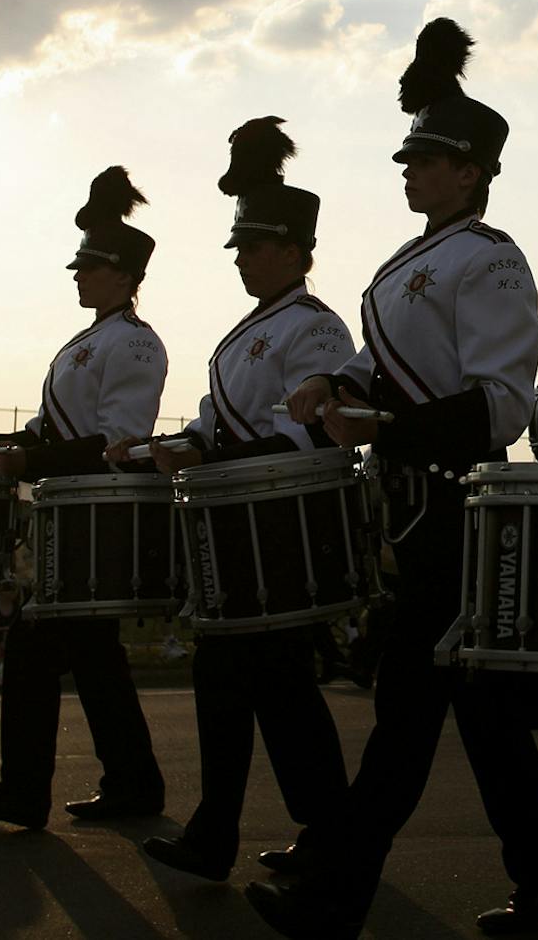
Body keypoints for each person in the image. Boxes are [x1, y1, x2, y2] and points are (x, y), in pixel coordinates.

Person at [252, 19, 538, 939]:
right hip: (412, 508)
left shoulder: (489, 258)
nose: (407, 170)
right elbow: (379, 364)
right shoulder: (406, 264)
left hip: (459, 505)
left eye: (425, 159)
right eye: (408, 157)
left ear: (470, 170)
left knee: (403, 718)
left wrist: (387, 422)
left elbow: (501, 403)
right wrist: (334, 382)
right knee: (478, 715)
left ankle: (332, 898)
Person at [119, 117, 355, 885]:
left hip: (283, 529)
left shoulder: (314, 328)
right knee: (249, 682)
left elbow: (304, 436)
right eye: (240, 248)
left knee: (270, 684)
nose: (243, 260)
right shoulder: (244, 334)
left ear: (294, 250)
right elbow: (218, 420)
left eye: (255, 247)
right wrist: (176, 443)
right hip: (237, 531)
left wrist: (207, 451)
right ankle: (259, 832)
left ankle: (295, 833)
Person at [0, 167, 169, 830]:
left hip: (99, 521)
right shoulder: (83, 345)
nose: (76, 276)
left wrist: (26, 459)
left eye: (89, 266)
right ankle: (131, 785)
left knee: (42, 648)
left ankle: (30, 791)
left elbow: (114, 441)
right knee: (92, 659)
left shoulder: (132, 342)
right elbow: (49, 431)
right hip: (69, 520)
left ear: (121, 274)